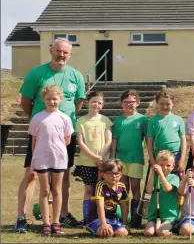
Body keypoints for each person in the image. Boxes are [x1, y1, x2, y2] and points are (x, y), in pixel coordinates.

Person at [14, 38, 87, 233]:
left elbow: (78, 102)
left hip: (64, 133)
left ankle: (62, 215)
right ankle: (21, 217)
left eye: (65, 52)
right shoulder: (37, 74)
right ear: (50, 51)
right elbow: (25, 101)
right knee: (31, 174)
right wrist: (41, 120)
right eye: (58, 51)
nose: (61, 55)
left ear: (70, 55)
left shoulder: (76, 76)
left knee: (63, 176)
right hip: (41, 133)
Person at [28, 84, 74, 236]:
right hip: (41, 158)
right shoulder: (37, 117)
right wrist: (35, 158)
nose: (52, 102)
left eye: (55, 99)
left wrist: (57, 148)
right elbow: (34, 140)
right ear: (44, 99)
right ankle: (46, 223)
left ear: (60, 99)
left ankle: (56, 221)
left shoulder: (65, 118)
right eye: (48, 99)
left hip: (59, 158)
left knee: (57, 190)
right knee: (45, 190)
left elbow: (67, 140)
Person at [74, 91, 113, 224]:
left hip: (103, 163)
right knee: (89, 189)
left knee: (102, 189)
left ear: (102, 105)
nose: (96, 104)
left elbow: (109, 140)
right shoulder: (81, 121)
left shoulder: (105, 120)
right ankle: (87, 219)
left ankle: (103, 217)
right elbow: (81, 142)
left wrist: (101, 158)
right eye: (94, 101)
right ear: (88, 102)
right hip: (87, 162)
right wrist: (93, 157)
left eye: (99, 102)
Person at [110, 89, 148, 228]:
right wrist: (113, 158)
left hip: (136, 158)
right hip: (121, 159)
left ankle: (136, 218)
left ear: (137, 103)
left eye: (131, 102)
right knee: (122, 188)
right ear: (122, 104)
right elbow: (114, 140)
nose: (128, 105)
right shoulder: (119, 120)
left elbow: (148, 139)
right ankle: (124, 217)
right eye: (125, 102)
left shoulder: (142, 120)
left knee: (136, 187)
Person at [86, 159, 129, 238]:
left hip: (112, 219)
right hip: (97, 219)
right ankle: (92, 227)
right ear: (102, 174)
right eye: (110, 173)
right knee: (107, 233)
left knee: (123, 233)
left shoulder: (121, 186)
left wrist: (124, 223)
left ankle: (112, 228)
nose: (114, 176)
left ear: (121, 174)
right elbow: (100, 206)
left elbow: (124, 206)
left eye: (117, 173)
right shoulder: (100, 185)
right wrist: (103, 224)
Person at [146, 89, 187, 173]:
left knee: (174, 181)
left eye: (168, 104)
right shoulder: (152, 121)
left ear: (173, 104)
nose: (165, 106)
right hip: (159, 156)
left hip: (175, 155)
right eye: (161, 104)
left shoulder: (178, 119)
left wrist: (182, 160)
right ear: (157, 103)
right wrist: (153, 162)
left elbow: (183, 140)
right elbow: (149, 143)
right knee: (159, 182)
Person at [144, 150, 181, 237]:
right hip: (154, 215)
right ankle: (155, 225)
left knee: (161, 233)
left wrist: (160, 173)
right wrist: (153, 173)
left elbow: (167, 188)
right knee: (148, 233)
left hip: (169, 215)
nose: (164, 168)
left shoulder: (174, 178)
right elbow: (148, 191)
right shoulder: (155, 177)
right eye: (161, 165)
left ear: (173, 166)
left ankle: (174, 230)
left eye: (168, 165)